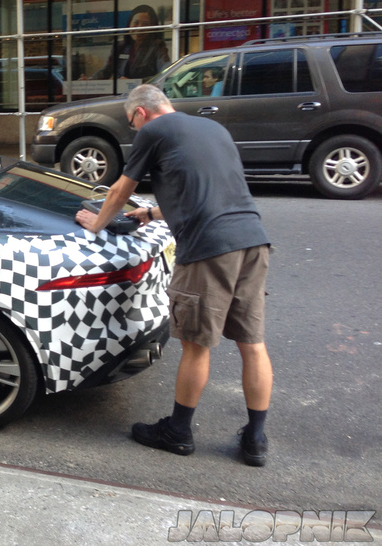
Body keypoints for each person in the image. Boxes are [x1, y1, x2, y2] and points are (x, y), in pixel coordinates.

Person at [75, 84, 273, 467]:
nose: (135, 131)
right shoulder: (213, 130)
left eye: (132, 123)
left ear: (141, 113)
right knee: (253, 344)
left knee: (196, 345)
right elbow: (206, 192)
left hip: (209, 249)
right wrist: (150, 214)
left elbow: (119, 190)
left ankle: (178, 432)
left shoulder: (153, 130)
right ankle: (255, 440)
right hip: (253, 240)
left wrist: (97, 223)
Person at [89, 4, 170, 81]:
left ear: (152, 27)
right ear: (129, 24)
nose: (139, 28)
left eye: (145, 24)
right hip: (120, 94)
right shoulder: (119, 46)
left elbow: (165, 73)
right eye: (136, 22)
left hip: (144, 92)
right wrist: (88, 81)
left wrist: (134, 82)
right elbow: (105, 71)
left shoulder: (157, 46)